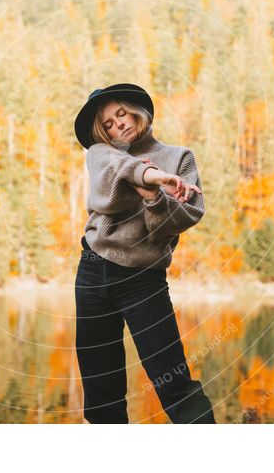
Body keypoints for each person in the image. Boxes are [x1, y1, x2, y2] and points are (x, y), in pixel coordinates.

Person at [73, 82, 216, 424]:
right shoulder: (102, 155)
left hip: (142, 279)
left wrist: (154, 197)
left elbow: (180, 220)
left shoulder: (180, 158)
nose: (117, 124)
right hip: (93, 272)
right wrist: (149, 177)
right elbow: (112, 189)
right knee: (101, 392)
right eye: (107, 124)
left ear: (137, 111)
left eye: (120, 114)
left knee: (173, 381)